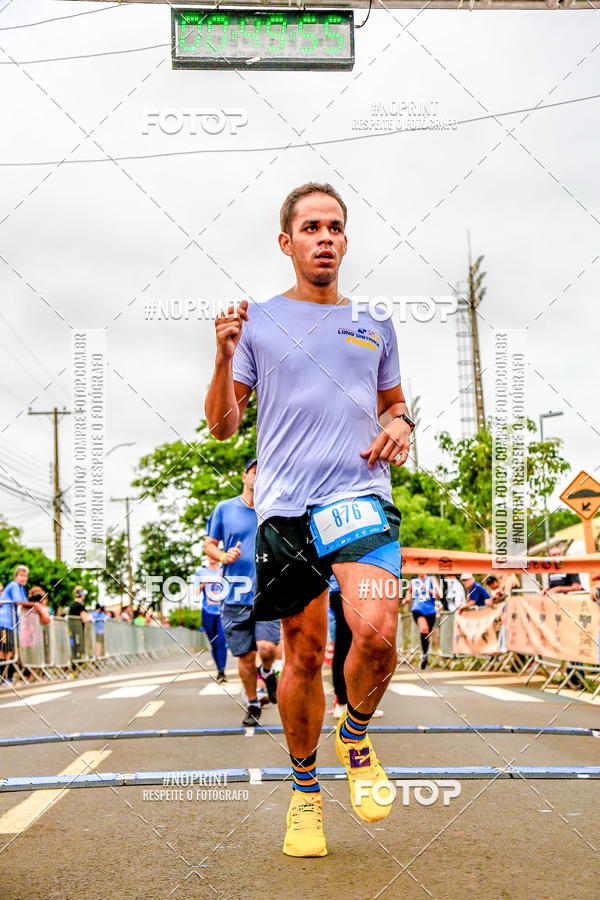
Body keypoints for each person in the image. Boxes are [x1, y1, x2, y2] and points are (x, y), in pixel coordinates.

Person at [205, 182, 411, 858]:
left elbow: (394, 406)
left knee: (377, 633)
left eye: (336, 227)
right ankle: (304, 793)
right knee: (304, 651)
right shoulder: (258, 321)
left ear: (345, 240)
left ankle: (354, 734)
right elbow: (222, 427)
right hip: (287, 509)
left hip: (359, 496)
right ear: (287, 241)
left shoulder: (375, 320)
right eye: (311, 226)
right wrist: (221, 354)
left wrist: (401, 426)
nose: (325, 236)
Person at [204, 459, 281, 726]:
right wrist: (223, 556)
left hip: (268, 592)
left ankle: (268, 671)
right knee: (245, 657)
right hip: (234, 595)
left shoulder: (273, 509)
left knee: (267, 647)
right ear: (244, 477)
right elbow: (209, 545)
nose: (259, 478)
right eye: (254, 473)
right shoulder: (224, 509)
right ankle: (252, 704)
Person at [194, 557, 228, 683]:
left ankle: (222, 671)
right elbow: (196, 592)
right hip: (207, 612)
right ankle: (219, 669)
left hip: (222, 612)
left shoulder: (223, 570)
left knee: (221, 641)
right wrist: (204, 583)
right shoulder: (201, 572)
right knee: (214, 643)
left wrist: (222, 579)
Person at [0, 566, 38, 678]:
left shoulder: (21, 588)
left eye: (25, 576)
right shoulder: (14, 585)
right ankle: (4, 677)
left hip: (11, 624)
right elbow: (19, 602)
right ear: (16, 576)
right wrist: (36, 605)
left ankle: (8, 676)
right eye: (21, 575)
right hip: (4, 622)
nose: (24, 578)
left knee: (10, 650)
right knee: (3, 650)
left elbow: (25, 603)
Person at [403, 574, 441, 669]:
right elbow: (409, 592)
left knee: (427, 634)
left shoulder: (432, 579)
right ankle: (424, 654)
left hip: (430, 611)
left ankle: (425, 654)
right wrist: (407, 599)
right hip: (417, 609)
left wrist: (426, 588)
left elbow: (439, 594)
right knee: (424, 629)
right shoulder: (414, 581)